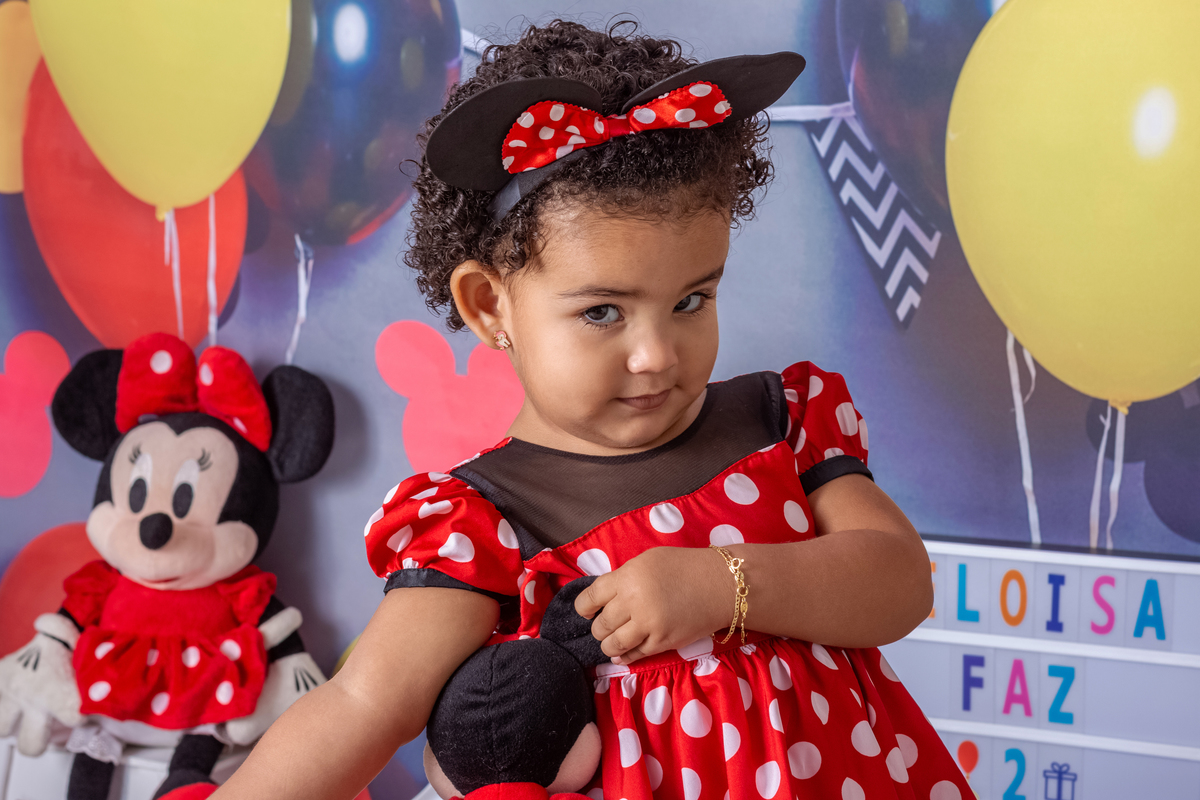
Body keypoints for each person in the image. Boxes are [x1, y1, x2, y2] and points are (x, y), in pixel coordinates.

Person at [215, 19, 973, 800]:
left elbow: (899, 581)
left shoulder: (776, 423)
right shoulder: (486, 524)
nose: (657, 355)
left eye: (691, 300)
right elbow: (361, 705)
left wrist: (721, 585)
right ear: (489, 305)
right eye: (603, 313)